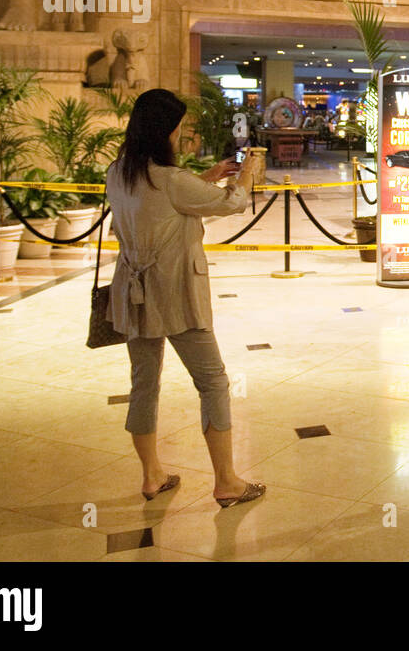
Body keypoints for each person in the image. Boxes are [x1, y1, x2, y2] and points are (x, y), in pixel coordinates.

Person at [105, 89, 266, 508]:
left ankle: (151, 475)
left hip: (132, 293)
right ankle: (227, 482)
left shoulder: (118, 172)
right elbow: (232, 203)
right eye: (179, 125)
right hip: (175, 294)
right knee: (212, 380)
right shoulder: (172, 180)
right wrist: (245, 173)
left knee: (144, 382)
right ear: (166, 130)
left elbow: (163, 203)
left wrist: (207, 176)